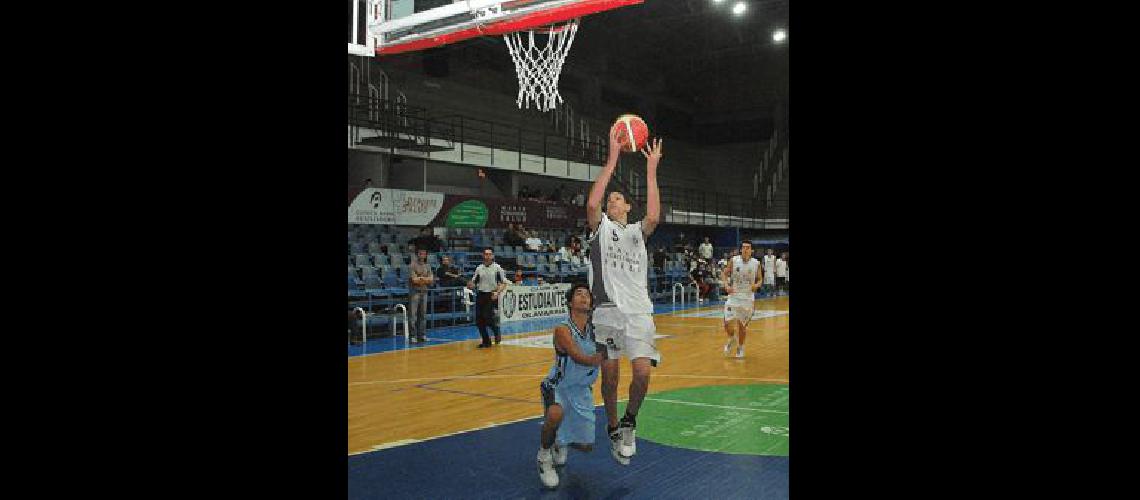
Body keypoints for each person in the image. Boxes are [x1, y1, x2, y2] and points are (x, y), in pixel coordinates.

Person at [585, 125, 663, 466]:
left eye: (617, 199)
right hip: (606, 311)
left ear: (627, 207)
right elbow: (591, 201)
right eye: (610, 199)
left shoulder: (636, 233)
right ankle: (613, 426)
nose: (611, 201)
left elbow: (655, 215)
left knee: (643, 374)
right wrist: (613, 156)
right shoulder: (600, 228)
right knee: (611, 375)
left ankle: (630, 420)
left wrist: (650, 169)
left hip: (638, 312)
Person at [536, 283, 607, 489]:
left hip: (581, 389)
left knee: (586, 446)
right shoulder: (562, 329)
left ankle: (559, 440)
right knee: (555, 414)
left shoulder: (597, 329)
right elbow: (578, 357)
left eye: (587, 295)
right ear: (569, 302)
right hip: (558, 385)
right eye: (578, 294)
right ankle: (543, 456)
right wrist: (605, 355)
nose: (584, 297)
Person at [722, 241, 761, 358]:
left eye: (748, 248)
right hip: (734, 296)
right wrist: (726, 285)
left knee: (742, 326)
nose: (745, 250)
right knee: (727, 323)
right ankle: (732, 338)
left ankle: (741, 347)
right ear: (741, 250)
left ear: (751, 250)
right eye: (743, 247)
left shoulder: (756, 263)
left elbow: (760, 279)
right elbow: (724, 274)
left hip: (747, 299)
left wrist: (757, 285)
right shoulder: (734, 261)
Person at [468, 248, 512, 347]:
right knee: (479, 320)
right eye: (486, 254)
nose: (487, 256)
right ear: (483, 256)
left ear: (492, 256)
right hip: (480, 294)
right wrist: (470, 285)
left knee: (487, 317)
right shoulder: (479, 268)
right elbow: (474, 282)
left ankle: (496, 331)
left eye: (489, 254)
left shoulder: (497, 268)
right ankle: (486, 341)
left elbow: (504, 283)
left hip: (491, 295)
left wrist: (497, 292)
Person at [408, 248, 434, 344]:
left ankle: (422, 335)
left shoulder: (428, 266)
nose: (422, 255)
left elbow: (431, 279)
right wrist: (424, 279)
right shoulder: (412, 265)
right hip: (414, 292)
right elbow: (414, 280)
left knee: (423, 315)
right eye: (420, 253)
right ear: (417, 255)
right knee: (413, 316)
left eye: (424, 254)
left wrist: (422, 279)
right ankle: (412, 336)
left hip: (424, 292)